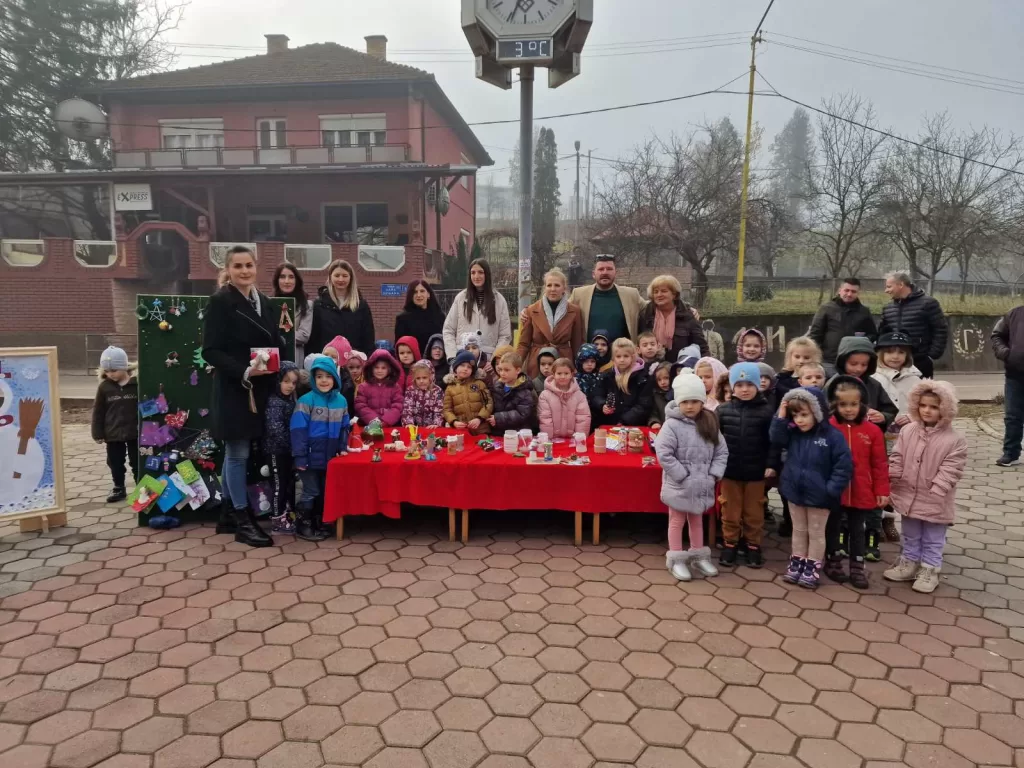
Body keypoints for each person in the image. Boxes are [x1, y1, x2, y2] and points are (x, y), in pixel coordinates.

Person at [203, 246, 284, 548]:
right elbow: (210, 350)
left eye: (249, 265)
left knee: (238, 449)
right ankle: (241, 519)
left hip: (259, 388)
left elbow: (273, 340)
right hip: (235, 388)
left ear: (256, 267)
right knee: (237, 451)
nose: (245, 271)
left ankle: (227, 511)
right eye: (238, 266)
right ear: (228, 269)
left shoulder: (263, 301)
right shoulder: (221, 302)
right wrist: (244, 372)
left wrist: (280, 365)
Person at [883, 380, 967, 593]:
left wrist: (938, 489)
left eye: (934, 407)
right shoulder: (908, 430)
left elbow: (952, 468)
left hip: (935, 497)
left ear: (945, 409)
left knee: (933, 536)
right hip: (908, 492)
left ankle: (930, 568)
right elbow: (898, 455)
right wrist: (893, 476)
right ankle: (909, 562)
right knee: (911, 531)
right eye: (923, 406)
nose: (927, 411)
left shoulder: (954, 440)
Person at [771, 386, 853, 589]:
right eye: (795, 415)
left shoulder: (833, 437)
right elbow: (776, 438)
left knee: (816, 532)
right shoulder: (793, 433)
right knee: (798, 530)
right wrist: (781, 417)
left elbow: (843, 467)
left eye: (804, 415)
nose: (799, 420)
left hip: (820, 495)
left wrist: (830, 490)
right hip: (795, 491)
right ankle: (797, 561)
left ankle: (813, 565)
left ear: (817, 412)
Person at [655, 372, 729, 582]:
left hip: (701, 484)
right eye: (685, 401)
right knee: (676, 520)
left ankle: (698, 553)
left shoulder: (709, 421)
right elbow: (664, 453)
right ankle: (676, 557)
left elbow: (721, 451)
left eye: (695, 401)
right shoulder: (671, 425)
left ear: (702, 401)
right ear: (678, 401)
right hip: (680, 485)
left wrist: (714, 473)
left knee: (696, 519)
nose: (690, 406)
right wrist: (682, 475)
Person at [824, 377, 890, 589]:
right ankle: (833, 562)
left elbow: (880, 463)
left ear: (863, 404)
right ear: (835, 405)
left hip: (862, 489)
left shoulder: (872, 431)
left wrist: (881, 489)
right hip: (835, 489)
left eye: (854, 404)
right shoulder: (828, 428)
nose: (849, 409)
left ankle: (857, 566)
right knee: (833, 526)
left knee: (857, 529)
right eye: (843, 405)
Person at [716, 363, 779, 568]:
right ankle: (730, 543)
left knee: (754, 511)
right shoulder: (722, 410)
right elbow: (715, 441)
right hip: (730, 470)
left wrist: (771, 464)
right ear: (732, 387)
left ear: (758, 386)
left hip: (755, 471)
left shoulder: (767, 412)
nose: (744, 389)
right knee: (730, 510)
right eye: (739, 384)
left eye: (749, 384)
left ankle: (753, 545)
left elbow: (773, 442)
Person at [290, 356, 349, 542]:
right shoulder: (306, 401)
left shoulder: (341, 401)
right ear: (314, 379)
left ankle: (319, 521)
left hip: (330, 455)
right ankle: (303, 523)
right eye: (320, 376)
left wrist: (341, 447)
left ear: (335, 378)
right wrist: (299, 456)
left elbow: (344, 427)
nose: (324, 380)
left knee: (324, 490)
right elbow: (298, 430)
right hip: (308, 456)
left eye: (328, 376)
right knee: (311, 490)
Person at [516, 267, 584, 379]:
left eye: (557, 285)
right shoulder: (531, 310)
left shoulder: (574, 311)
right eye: (549, 285)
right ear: (545, 287)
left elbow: (577, 344)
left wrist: (578, 368)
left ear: (564, 288)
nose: (553, 289)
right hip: (538, 362)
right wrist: (514, 366)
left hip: (563, 362)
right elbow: (523, 344)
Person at [878, 271, 947, 379]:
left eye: (889, 286)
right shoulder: (888, 308)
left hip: (920, 361)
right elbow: (882, 332)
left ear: (901, 285)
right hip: (894, 363)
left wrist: (932, 355)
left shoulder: (928, 303)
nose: (886, 290)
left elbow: (940, 329)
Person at [564, 254, 646, 344]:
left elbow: (653, 309)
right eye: (601, 269)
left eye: (609, 269)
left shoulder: (632, 295)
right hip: (590, 356)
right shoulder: (578, 295)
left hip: (622, 355)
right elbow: (562, 314)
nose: (605, 272)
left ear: (616, 273)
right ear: (593, 274)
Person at [92, 346, 138, 504]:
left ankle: (142, 487)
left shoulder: (137, 384)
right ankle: (119, 487)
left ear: (124, 366)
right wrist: (97, 433)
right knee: (115, 461)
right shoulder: (104, 387)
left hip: (135, 432)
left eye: (114, 370)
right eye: (107, 370)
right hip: (113, 432)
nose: (111, 374)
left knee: (137, 460)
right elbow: (98, 411)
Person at [442, 258, 512, 361]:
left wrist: (495, 359)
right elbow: (448, 330)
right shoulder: (461, 298)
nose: (476, 276)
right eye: (473, 273)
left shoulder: (499, 300)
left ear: (487, 274)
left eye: (480, 272)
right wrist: (453, 356)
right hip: (463, 360)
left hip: (488, 361)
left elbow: (505, 335)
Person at [808, 278, 877, 374]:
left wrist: (861, 343)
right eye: (846, 290)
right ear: (840, 290)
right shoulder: (826, 308)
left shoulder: (864, 312)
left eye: (853, 291)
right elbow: (815, 335)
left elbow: (872, 334)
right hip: (829, 362)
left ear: (858, 293)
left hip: (853, 363)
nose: (849, 294)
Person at [307, 259, 375, 358]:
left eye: (345, 276)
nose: (341, 279)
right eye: (337, 275)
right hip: (327, 361)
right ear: (330, 277)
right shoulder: (319, 304)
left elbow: (368, 337)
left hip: (353, 362)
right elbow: (314, 338)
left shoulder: (361, 306)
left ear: (351, 278)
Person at [262, 362, 300, 535]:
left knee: (288, 483)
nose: (290, 386)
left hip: (287, 451)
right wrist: (292, 445)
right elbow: (276, 429)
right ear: (278, 381)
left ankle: (288, 514)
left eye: (293, 382)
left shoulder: (289, 400)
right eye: (286, 381)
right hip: (276, 451)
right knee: (279, 485)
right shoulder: (274, 402)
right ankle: (277, 519)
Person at [638, 274, 709, 361]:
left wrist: (707, 364)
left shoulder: (687, 315)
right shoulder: (646, 314)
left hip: (680, 367)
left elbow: (701, 345)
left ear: (674, 294)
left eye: (664, 291)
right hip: (652, 367)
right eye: (655, 292)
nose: (659, 295)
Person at [590, 338, 651, 427]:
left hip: (633, 426)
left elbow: (644, 405)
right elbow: (596, 396)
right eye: (618, 356)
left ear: (632, 357)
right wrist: (603, 405)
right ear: (613, 358)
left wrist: (624, 421)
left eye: (626, 356)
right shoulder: (606, 375)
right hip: (609, 424)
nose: (622, 360)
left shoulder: (643, 377)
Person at [991, 309, 1024, 467]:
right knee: (1012, 417)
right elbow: (997, 335)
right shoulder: (1014, 314)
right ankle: (1011, 453)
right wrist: (1005, 352)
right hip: (1015, 375)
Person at [539, 357, 591, 440]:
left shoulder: (580, 396)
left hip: (573, 440)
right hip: (552, 440)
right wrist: (548, 440)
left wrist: (580, 440)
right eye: (559, 373)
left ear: (572, 374)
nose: (563, 376)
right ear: (553, 374)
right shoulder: (545, 395)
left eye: (566, 373)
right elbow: (545, 419)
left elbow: (583, 419)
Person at [443, 349, 493, 434]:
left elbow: (488, 403)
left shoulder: (479, 384)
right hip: (462, 431)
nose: (465, 369)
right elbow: (447, 409)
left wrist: (479, 418)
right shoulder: (450, 388)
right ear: (455, 368)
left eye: (469, 367)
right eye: (462, 365)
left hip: (481, 429)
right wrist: (454, 422)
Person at [273, 263, 313, 361]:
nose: (287, 281)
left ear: (297, 280)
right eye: (282, 277)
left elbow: (304, 335)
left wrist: (278, 335)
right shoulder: (269, 303)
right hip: (274, 357)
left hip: (295, 358)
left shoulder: (307, 305)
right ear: (277, 281)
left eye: (291, 277)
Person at [394, 279, 444, 356]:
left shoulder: (440, 316)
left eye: (422, 291)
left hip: (436, 362)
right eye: (415, 292)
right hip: (413, 363)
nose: (419, 295)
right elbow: (399, 346)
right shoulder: (403, 319)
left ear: (428, 294)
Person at [355, 349, 404, 427]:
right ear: (371, 368)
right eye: (376, 367)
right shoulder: (363, 387)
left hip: (390, 425)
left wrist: (387, 420)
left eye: (383, 368)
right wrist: (373, 419)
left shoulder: (395, 387)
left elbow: (398, 406)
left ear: (389, 370)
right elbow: (361, 405)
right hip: (369, 425)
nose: (379, 370)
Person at [488, 352, 536, 432]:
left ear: (518, 370)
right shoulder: (497, 387)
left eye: (507, 370)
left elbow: (522, 414)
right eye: (500, 370)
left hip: (517, 433)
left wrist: (498, 418)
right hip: (498, 432)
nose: (502, 373)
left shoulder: (525, 391)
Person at [775, 337, 823, 406]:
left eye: (806, 358)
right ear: (790, 357)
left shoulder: (817, 379)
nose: (801, 361)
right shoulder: (780, 380)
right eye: (797, 357)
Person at [401, 360, 444, 428]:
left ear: (431, 377)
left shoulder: (437, 391)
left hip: (432, 428)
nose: (421, 381)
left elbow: (439, 411)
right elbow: (407, 409)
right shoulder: (410, 390)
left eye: (424, 378)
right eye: (418, 378)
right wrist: (409, 423)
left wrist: (436, 423)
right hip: (415, 428)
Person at [648, 362, 673, 428]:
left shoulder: (678, 394)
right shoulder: (656, 395)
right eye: (659, 380)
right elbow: (653, 413)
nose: (663, 382)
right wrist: (654, 422)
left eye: (666, 378)